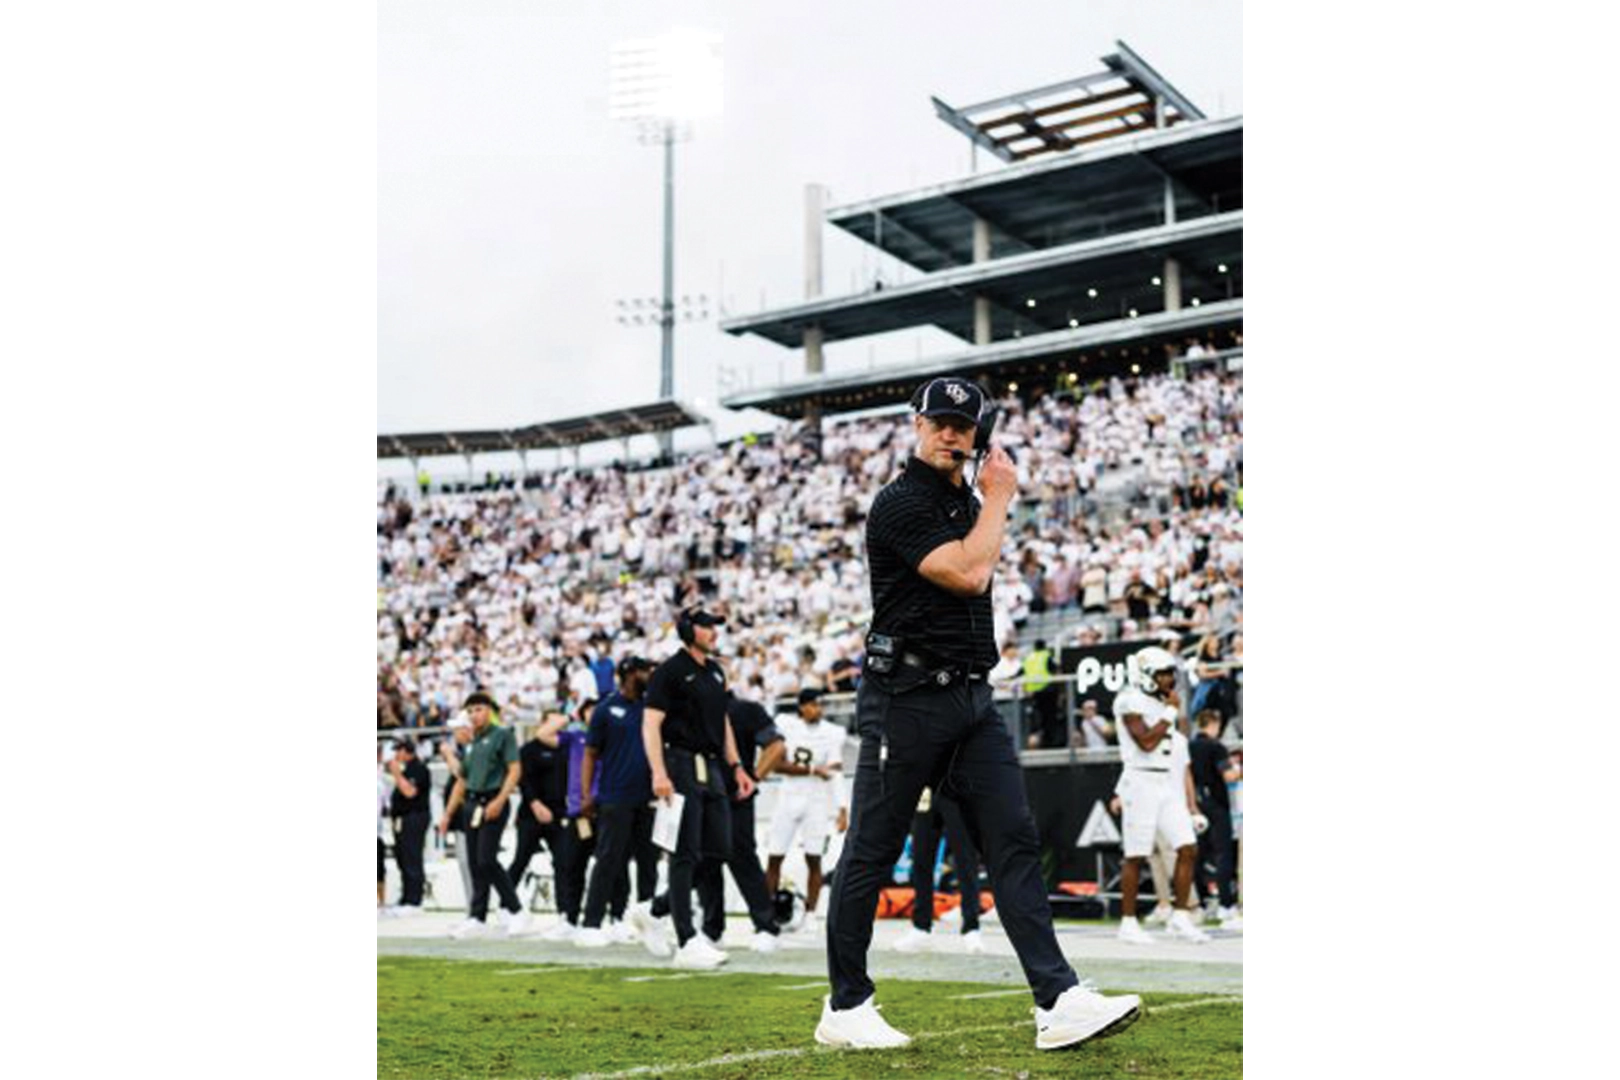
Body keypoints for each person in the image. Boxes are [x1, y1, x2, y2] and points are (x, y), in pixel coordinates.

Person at [818, 377, 1141, 1052]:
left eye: (962, 426)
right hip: (903, 701)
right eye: (938, 422)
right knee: (871, 850)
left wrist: (986, 499)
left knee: (1014, 839)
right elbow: (968, 573)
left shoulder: (967, 499)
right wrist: (998, 496)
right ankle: (846, 1005)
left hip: (969, 697)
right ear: (916, 423)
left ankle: (1057, 999)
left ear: (977, 434)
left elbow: (981, 564)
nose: (949, 435)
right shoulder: (899, 502)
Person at [642, 607, 757, 970]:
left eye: (714, 626)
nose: (713, 632)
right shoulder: (669, 671)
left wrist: (736, 765)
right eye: (706, 626)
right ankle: (686, 940)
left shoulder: (716, 670)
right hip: (679, 762)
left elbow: (721, 721)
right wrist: (658, 772)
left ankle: (655, 910)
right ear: (688, 629)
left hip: (712, 766)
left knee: (719, 849)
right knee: (684, 852)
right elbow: (650, 725)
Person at [1112, 646, 1210, 945]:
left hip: (1167, 782)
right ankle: (1127, 922)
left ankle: (1180, 916)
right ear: (1146, 675)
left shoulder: (1163, 702)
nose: (1170, 679)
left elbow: (1177, 751)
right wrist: (1170, 712)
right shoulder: (1128, 700)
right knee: (1136, 855)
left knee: (1188, 847)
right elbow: (1146, 742)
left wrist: (1191, 804)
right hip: (1140, 780)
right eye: (1164, 673)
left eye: (1171, 673)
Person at [576, 656, 664, 948]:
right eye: (644, 670)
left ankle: (647, 922)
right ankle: (590, 923)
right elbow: (590, 754)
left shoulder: (652, 707)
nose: (649, 675)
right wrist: (587, 794)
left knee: (648, 862)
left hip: (649, 796)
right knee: (608, 860)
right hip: (614, 796)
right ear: (628, 674)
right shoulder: (604, 710)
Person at [693, 690, 788, 952]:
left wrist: (752, 778)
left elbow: (777, 745)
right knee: (709, 861)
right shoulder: (699, 707)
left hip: (733, 797)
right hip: (708, 795)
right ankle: (713, 930)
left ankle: (765, 926)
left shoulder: (745, 709)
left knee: (740, 858)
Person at [440, 692, 533, 940]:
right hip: (471, 804)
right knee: (474, 863)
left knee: (486, 860)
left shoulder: (502, 735)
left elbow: (515, 770)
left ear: (490, 711)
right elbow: (462, 779)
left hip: (493, 801)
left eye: (478, 709)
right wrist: (448, 814)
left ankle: (516, 910)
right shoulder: (473, 741)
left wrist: (501, 800)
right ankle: (477, 917)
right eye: (469, 711)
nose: (474, 715)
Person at [764, 688, 847, 935]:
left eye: (819, 705)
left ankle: (811, 914)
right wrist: (813, 770)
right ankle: (766, 914)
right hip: (789, 796)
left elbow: (835, 773)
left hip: (817, 801)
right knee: (774, 856)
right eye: (811, 705)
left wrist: (842, 807)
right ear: (801, 707)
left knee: (814, 859)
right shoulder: (786, 726)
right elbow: (777, 765)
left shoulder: (833, 733)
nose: (816, 709)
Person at [892, 785, 986, 955]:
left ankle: (971, 927)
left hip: (956, 786)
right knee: (921, 857)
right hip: (927, 787)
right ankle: (921, 927)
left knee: (966, 858)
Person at [505, 708, 569, 921]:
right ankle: (506, 906)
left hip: (557, 815)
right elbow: (524, 781)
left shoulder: (564, 748)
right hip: (530, 815)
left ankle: (565, 912)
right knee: (520, 860)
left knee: (563, 862)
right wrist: (535, 804)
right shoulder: (529, 749)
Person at [1190, 709, 1245, 929]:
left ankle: (1201, 904)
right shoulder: (1216, 747)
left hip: (1196, 804)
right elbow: (1229, 775)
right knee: (1223, 854)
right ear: (1213, 723)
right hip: (1217, 805)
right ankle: (1226, 906)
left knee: (1199, 855)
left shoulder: (1189, 746)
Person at [387, 738, 432, 913]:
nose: (396, 755)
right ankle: (406, 896)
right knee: (403, 857)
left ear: (407, 751)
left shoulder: (418, 769)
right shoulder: (406, 770)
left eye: (399, 750)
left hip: (414, 817)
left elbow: (410, 792)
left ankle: (415, 899)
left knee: (412, 857)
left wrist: (397, 775)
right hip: (402, 819)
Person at [1021, 639, 1062, 749]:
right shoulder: (1046, 655)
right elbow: (1056, 671)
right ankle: (1051, 744)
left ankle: (1041, 744)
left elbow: (1020, 672)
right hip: (1048, 692)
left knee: (1038, 721)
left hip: (1033, 694)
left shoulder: (1029, 658)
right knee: (1049, 720)